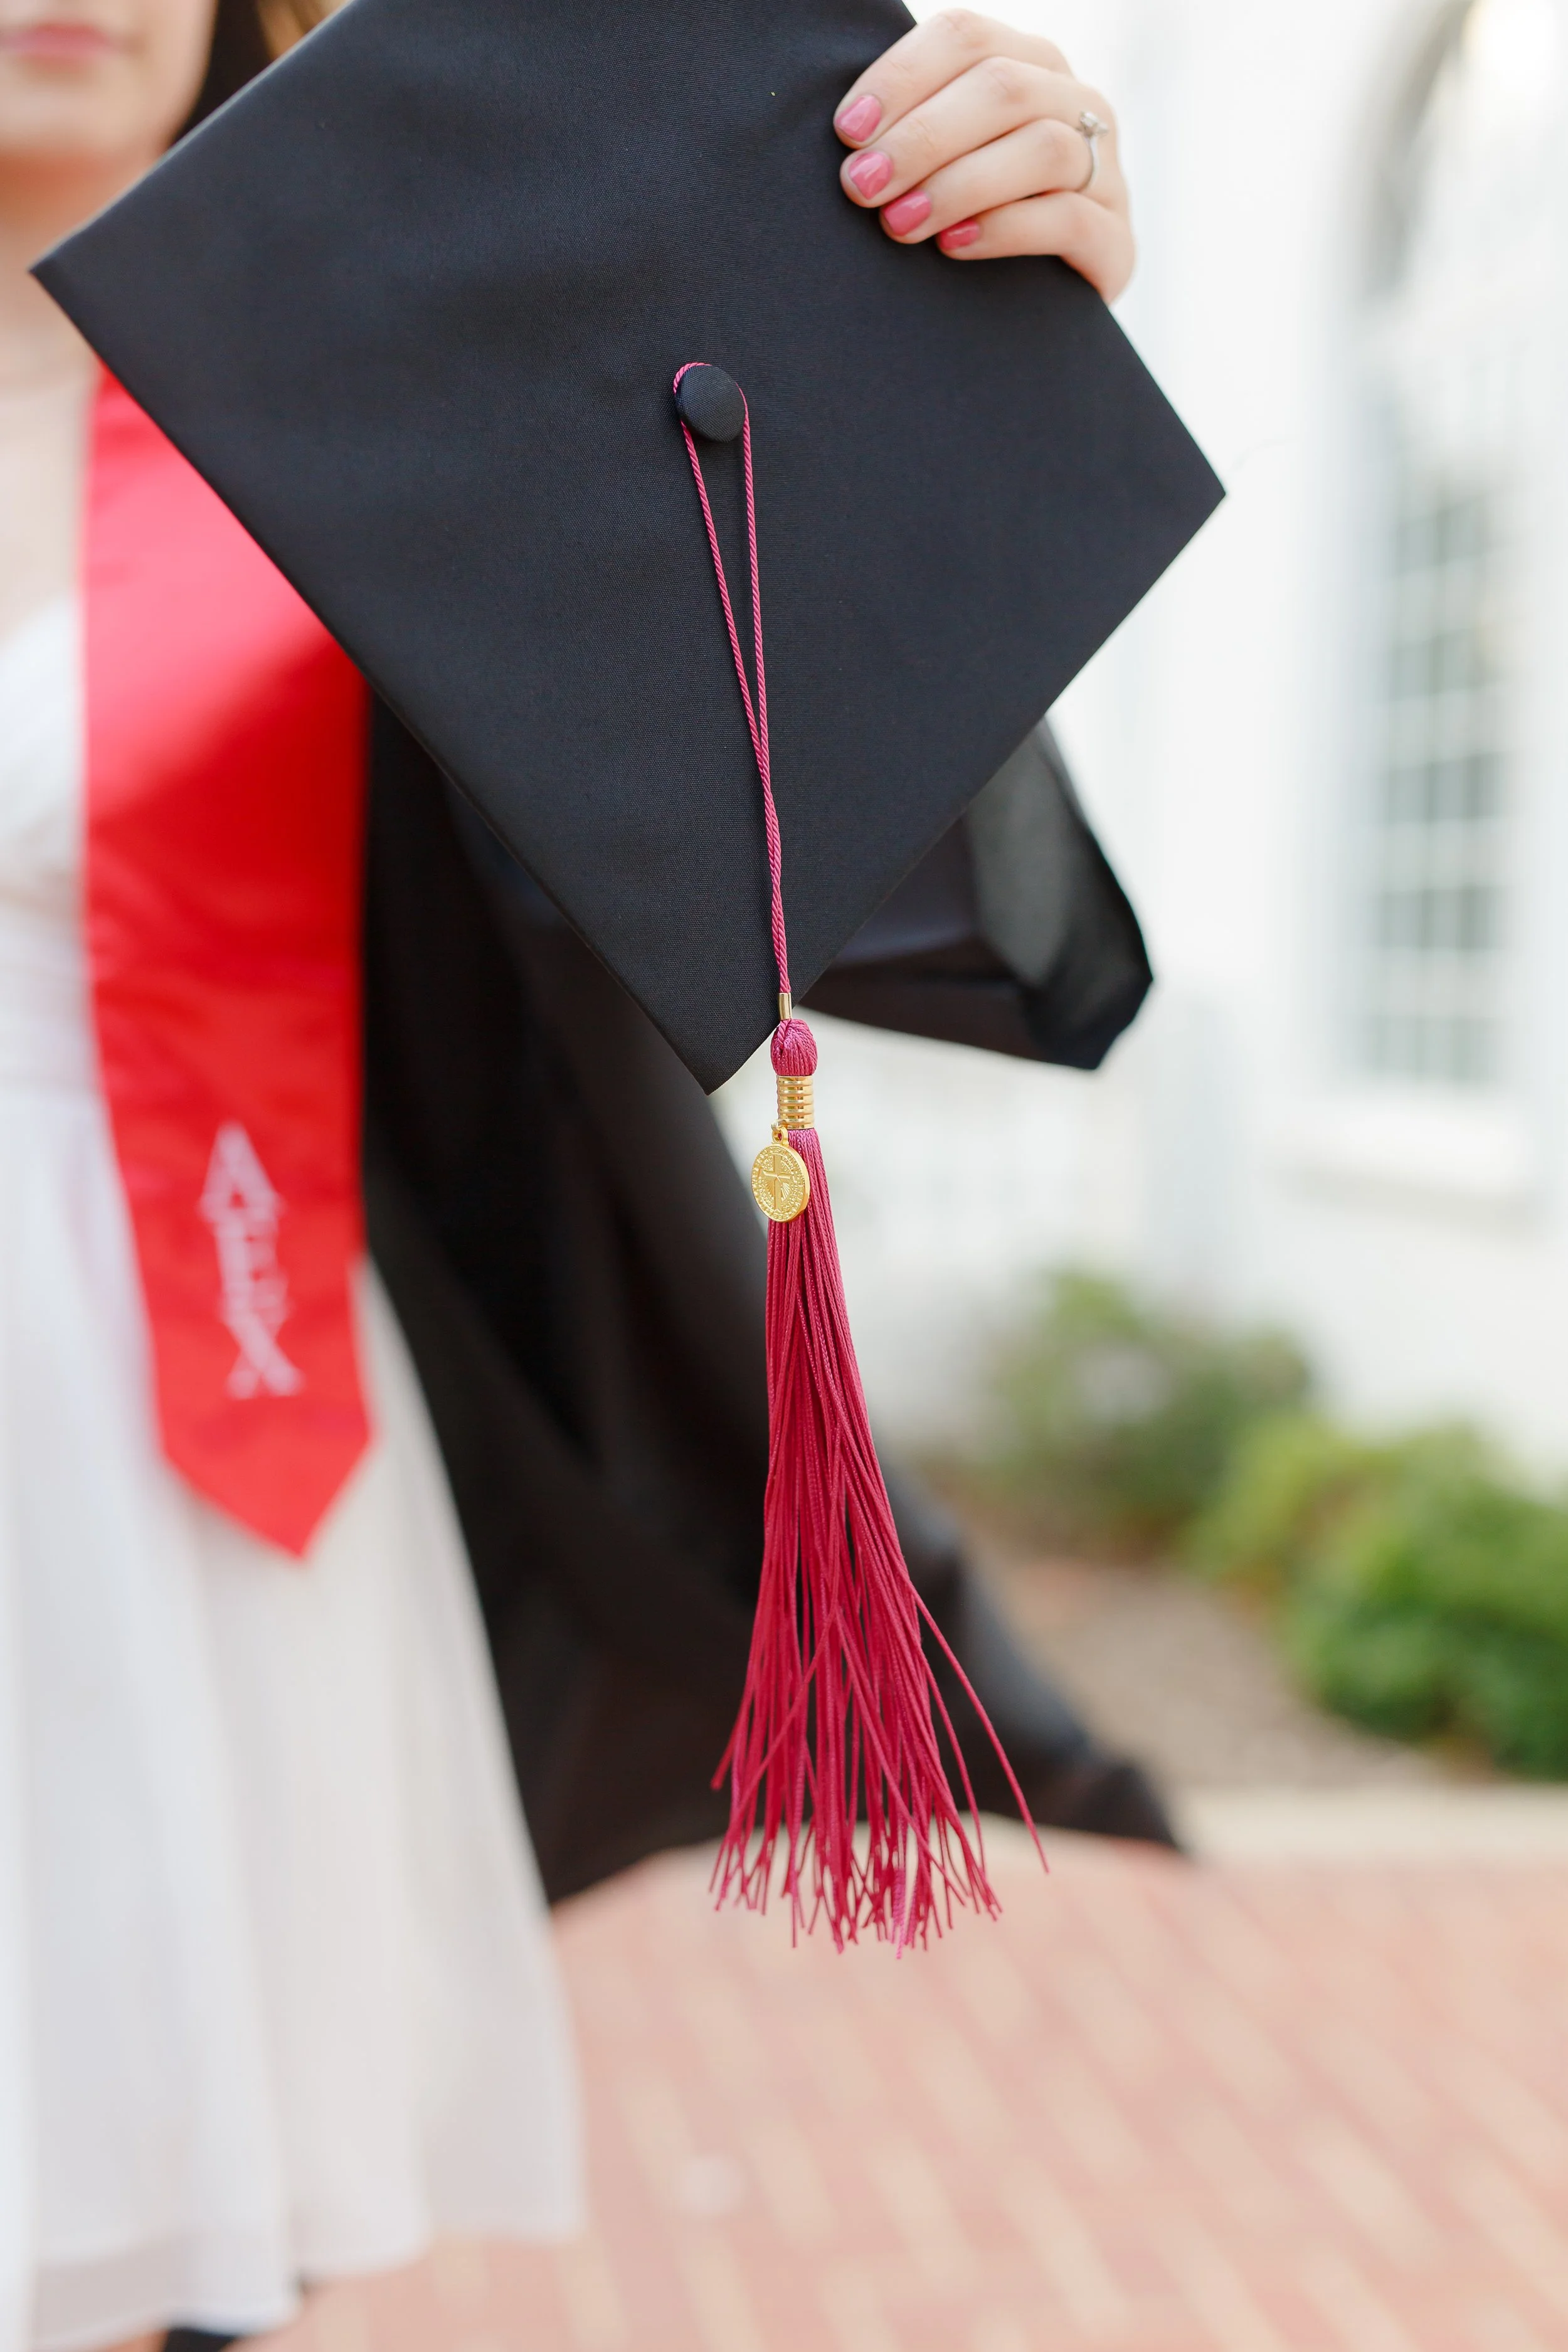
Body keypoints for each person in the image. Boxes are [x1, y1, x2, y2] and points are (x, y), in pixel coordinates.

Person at [0, 3, 1151, 2348]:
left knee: (145, 2185)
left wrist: (931, 366)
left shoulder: (395, 396)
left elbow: (860, 866)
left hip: (178, 1434)